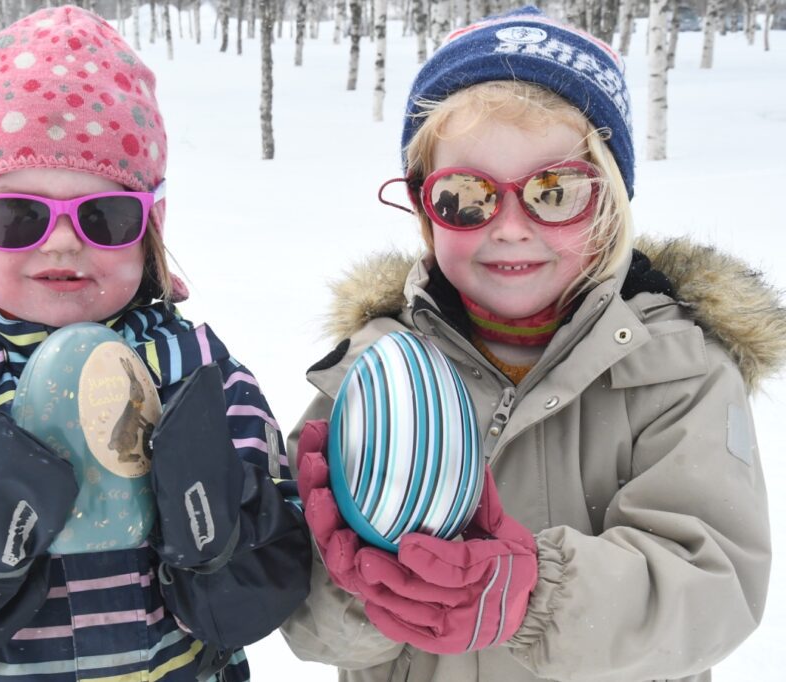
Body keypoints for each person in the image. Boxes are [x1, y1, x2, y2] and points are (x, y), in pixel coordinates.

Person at [280, 7, 783, 682]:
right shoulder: (369, 379)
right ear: (424, 206)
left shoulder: (676, 371)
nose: (511, 228)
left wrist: (533, 596)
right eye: (466, 195)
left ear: (608, 203)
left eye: (555, 191)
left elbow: (713, 587)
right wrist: (362, 588)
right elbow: (311, 625)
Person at [0, 7, 309, 681]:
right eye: (18, 216)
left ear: (148, 232)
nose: (61, 241)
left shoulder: (201, 375)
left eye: (104, 215)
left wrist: (223, 539)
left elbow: (271, 589)